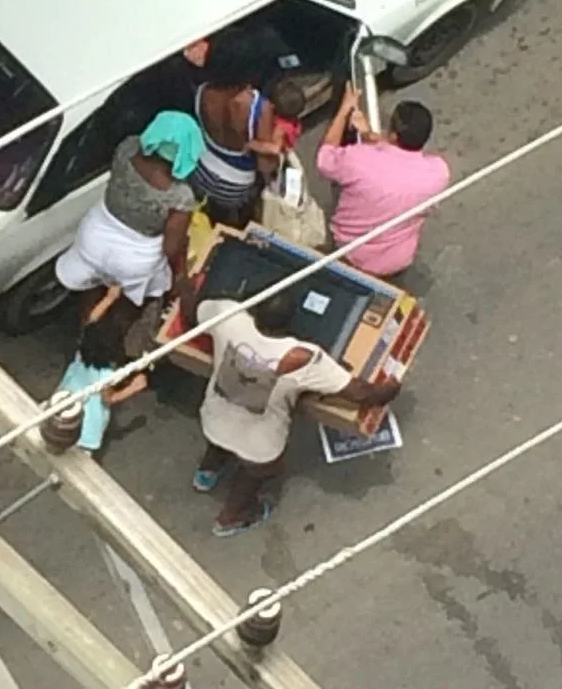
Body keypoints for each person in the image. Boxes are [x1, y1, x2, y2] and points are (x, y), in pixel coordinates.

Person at [193, 293, 401, 536]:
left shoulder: (228, 315)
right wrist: (389, 389)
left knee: (222, 436)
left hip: (213, 419)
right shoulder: (303, 358)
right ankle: (231, 518)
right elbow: (362, 394)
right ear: (291, 321)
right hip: (260, 446)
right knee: (258, 472)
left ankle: (206, 474)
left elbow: (192, 311)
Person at [55, 110, 205, 321]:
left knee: (91, 289)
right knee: (125, 306)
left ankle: (87, 327)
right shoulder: (180, 196)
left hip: (94, 237)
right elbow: (170, 248)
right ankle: (107, 337)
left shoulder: (127, 148)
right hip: (134, 260)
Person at [315, 85, 450, 280]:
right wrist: (370, 135)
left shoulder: (359, 160)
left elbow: (325, 158)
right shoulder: (439, 173)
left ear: (394, 134)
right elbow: (398, 157)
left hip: (351, 253)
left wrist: (345, 109)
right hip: (397, 260)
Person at [190, 33, 277, 226]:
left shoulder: (202, 91)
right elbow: (265, 166)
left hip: (200, 170)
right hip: (235, 185)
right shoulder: (258, 107)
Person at [55, 287, 149, 453]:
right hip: (86, 424)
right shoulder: (105, 375)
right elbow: (108, 399)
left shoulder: (84, 348)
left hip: (67, 401)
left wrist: (109, 298)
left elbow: (91, 320)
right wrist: (134, 388)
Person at [248, 76, 307, 159]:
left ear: (273, 105)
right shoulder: (294, 121)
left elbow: (275, 148)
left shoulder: (280, 128)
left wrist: (253, 144)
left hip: (279, 159)